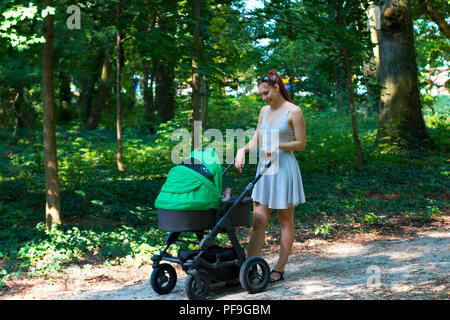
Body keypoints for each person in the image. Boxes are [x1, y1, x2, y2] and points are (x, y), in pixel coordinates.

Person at [234, 69, 306, 283]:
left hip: (283, 169)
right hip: (264, 170)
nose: (264, 98)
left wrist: (278, 145)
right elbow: (257, 139)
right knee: (258, 221)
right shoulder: (264, 111)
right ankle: (250, 268)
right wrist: (242, 150)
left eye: (266, 93)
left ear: (276, 87)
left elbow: (301, 144)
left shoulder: (294, 111)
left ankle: (279, 269)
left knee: (285, 222)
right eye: (261, 95)